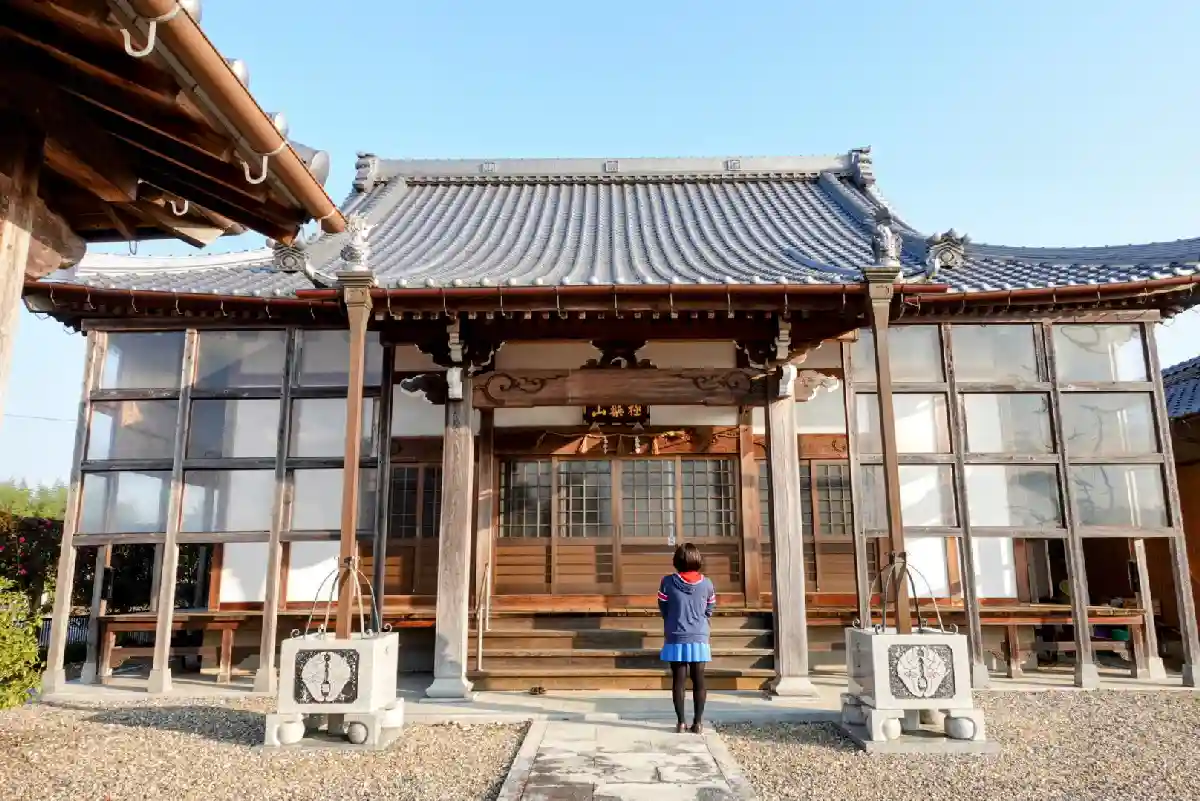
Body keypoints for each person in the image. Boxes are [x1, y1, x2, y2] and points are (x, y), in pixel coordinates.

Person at [657, 542, 715, 733]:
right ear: (697, 559)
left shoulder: (667, 582)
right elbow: (709, 609)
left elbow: (663, 607)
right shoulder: (707, 584)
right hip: (699, 636)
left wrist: (673, 619)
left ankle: (681, 722)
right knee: (699, 681)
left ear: (677, 561)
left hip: (676, 636)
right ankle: (698, 723)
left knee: (678, 682)